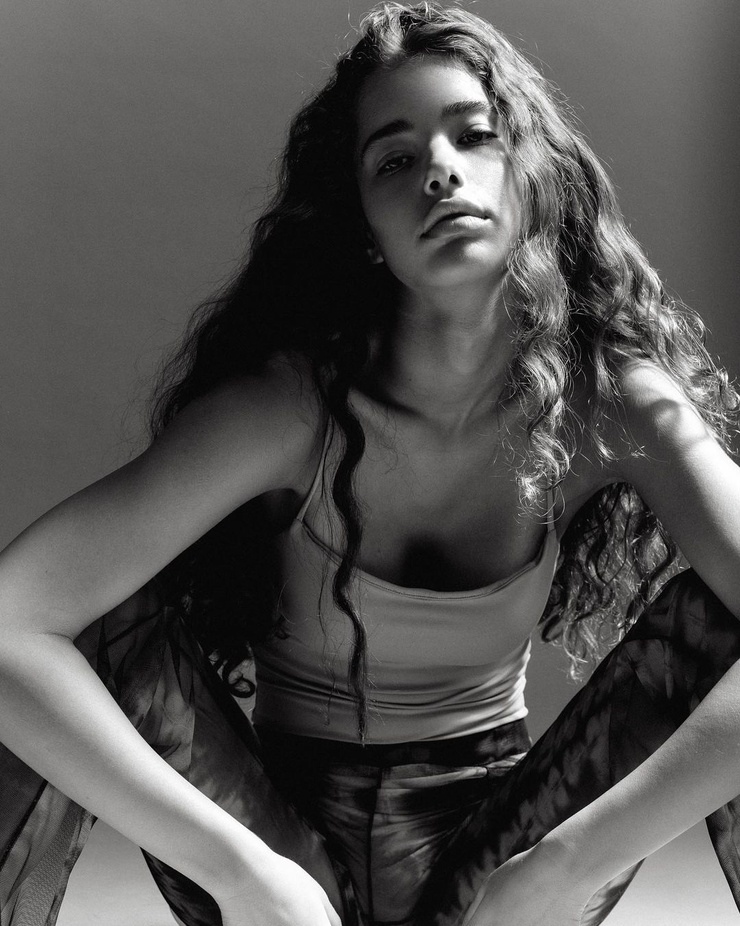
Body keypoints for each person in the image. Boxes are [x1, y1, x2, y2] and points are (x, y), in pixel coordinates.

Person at [1, 2, 740, 925]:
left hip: (501, 876)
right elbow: (10, 623)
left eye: (475, 134)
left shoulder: (604, 399)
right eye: (394, 160)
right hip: (285, 867)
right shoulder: (290, 409)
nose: (440, 169)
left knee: (721, 619)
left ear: (536, 173)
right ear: (361, 224)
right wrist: (237, 872)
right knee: (80, 621)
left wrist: (570, 863)